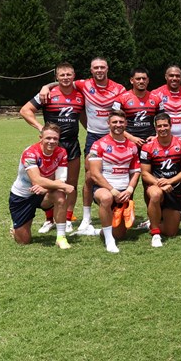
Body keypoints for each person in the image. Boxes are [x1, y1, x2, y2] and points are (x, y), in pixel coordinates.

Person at [40, 56, 125, 236]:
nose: (99, 70)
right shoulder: (83, 84)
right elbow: (64, 81)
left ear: (107, 68)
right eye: (96, 68)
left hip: (114, 136)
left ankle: (122, 209)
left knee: (120, 172)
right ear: (91, 70)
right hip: (93, 137)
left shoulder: (119, 88)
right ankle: (86, 218)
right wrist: (45, 86)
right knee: (89, 176)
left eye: (102, 67)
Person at [20, 62, 84, 233]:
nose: (65, 78)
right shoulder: (48, 94)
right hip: (51, 146)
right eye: (62, 75)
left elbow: (85, 117)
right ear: (56, 77)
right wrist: (41, 128)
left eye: (68, 74)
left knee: (71, 183)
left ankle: (68, 219)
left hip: (72, 144)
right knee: (50, 184)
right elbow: (25, 110)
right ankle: (49, 220)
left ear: (74, 75)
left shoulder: (80, 95)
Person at [9, 123, 74, 249]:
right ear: (41, 138)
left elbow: (61, 180)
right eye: (48, 138)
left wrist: (46, 188)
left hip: (44, 193)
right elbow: (36, 179)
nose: (52, 141)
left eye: (55, 139)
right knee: (23, 240)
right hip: (22, 196)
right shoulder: (30, 153)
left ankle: (61, 237)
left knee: (60, 196)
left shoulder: (61, 152)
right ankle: (16, 227)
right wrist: (64, 186)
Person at [88, 111, 142, 253]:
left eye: (121, 122)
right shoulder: (98, 145)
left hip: (124, 191)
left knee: (120, 234)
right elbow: (94, 174)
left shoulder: (132, 146)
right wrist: (112, 190)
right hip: (104, 188)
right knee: (106, 198)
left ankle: (100, 231)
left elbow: (136, 171)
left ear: (125, 124)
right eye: (114, 122)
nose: (118, 125)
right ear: (108, 124)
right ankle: (109, 240)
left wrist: (130, 189)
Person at [139, 113, 181, 247]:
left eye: (165, 125)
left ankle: (152, 223)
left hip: (175, 189)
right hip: (156, 186)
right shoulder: (147, 147)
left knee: (171, 232)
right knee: (156, 194)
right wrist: (160, 183)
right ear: (155, 128)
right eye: (159, 126)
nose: (162, 128)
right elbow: (144, 173)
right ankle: (155, 233)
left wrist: (170, 181)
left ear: (171, 125)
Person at [113, 67, 162, 147]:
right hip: (128, 142)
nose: (141, 81)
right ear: (132, 80)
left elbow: (163, 120)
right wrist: (131, 138)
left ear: (148, 80)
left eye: (144, 79)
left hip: (150, 142)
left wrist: (156, 136)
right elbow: (113, 123)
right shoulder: (120, 99)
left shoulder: (157, 99)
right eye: (138, 79)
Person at [150, 65, 181, 141]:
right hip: (163, 139)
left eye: (177, 76)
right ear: (166, 76)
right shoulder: (156, 94)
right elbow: (149, 117)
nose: (174, 78)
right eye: (171, 75)